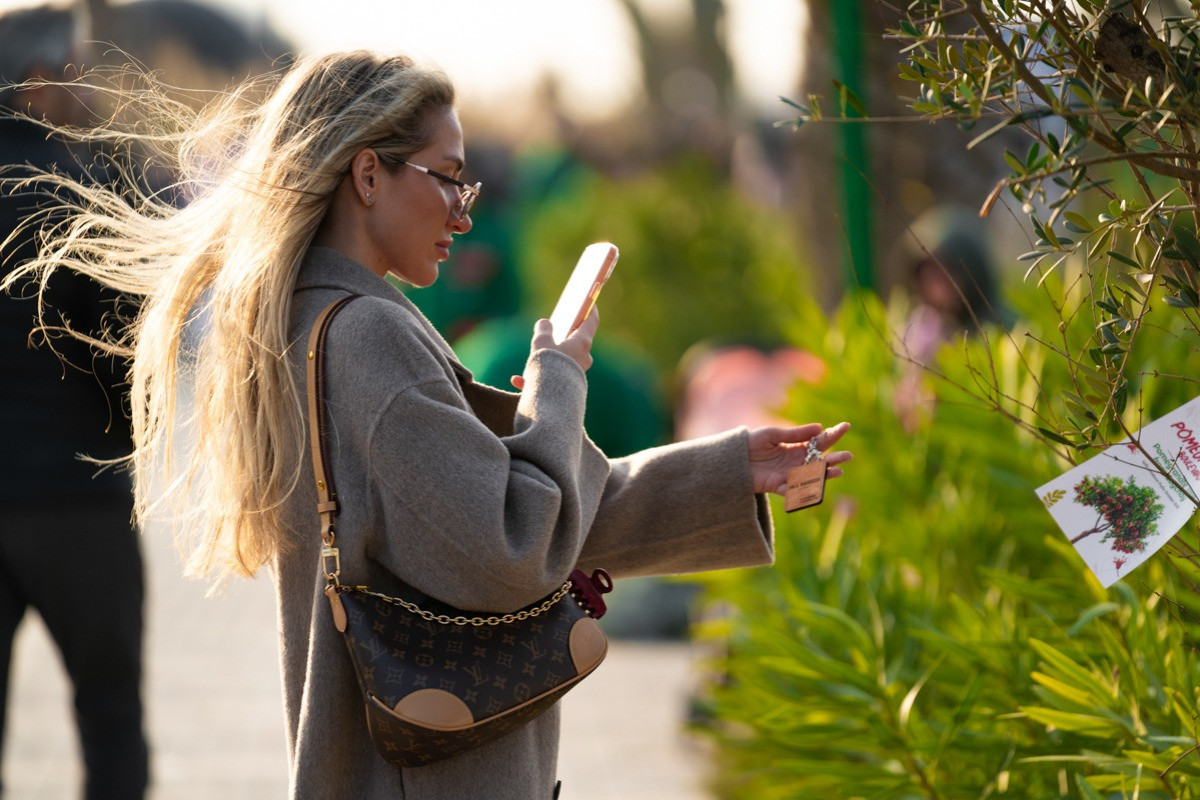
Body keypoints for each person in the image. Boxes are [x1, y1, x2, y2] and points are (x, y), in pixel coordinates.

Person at [2, 51, 852, 799]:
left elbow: (506, 510)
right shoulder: (369, 337)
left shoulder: (308, 321)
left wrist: (732, 468)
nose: (464, 211)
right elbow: (515, 544)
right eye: (447, 178)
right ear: (369, 176)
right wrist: (559, 375)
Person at [0, 5, 149, 799]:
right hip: (75, 498)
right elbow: (124, 355)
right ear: (36, 86)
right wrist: (130, 443)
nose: (89, 89)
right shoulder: (79, 189)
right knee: (110, 716)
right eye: (77, 72)